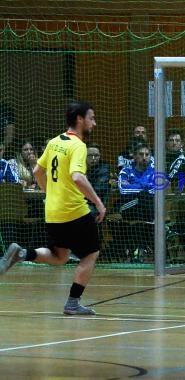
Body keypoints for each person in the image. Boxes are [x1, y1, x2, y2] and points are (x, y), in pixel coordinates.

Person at [0, 101, 106, 315]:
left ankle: (22, 253)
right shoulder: (77, 146)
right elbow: (77, 177)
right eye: (91, 118)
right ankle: (73, 303)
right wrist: (98, 202)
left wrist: (50, 192)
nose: (94, 123)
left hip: (52, 211)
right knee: (91, 254)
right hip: (74, 211)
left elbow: (38, 171)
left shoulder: (55, 141)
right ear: (79, 119)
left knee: (60, 256)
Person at [118, 142, 155, 221]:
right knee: (145, 196)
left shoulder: (155, 172)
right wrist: (145, 186)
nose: (144, 157)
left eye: (147, 154)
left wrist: (132, 185)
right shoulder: (125, 171)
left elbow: (154, 189)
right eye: (141, 154)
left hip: (148, 207)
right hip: (129, 207)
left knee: (145, 197)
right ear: (134, 156)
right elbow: (123, 190)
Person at [86, 142, 111, 216]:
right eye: (90, 155)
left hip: (94, 204)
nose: (93, 158)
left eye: (96, 155)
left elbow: (98, 190)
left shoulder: (104, 169)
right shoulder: (79, 167)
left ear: (100, 156)